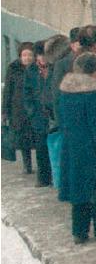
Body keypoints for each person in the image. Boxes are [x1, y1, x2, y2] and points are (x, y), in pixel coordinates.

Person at [57, 53, 96, 244]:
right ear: (95, 72)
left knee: (78, 192)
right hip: (91, 150)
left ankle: (79, 232)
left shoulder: (65, 91)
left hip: (71, 148)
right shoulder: (93, 94)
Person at [21, 40, 53, 186]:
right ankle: (43, 177)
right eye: (39, 55)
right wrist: (32, 112)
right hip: (38, 115)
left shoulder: (53, 68)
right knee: (40, 147)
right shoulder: (31, 71)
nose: (42, 58)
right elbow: (26, 93)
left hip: (52, 114)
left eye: (44, 55)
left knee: (54, 144)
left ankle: (54, 174)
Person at [3, 42, 38, 175]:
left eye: (30, 55)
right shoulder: (13, 68)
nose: (27, 58)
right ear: (20, 56)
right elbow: (8, 91)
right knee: (23, 139)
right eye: (24, 55)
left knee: (37, 137)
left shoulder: (36, 69)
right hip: (18, 109)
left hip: (34, 107)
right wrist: (5, 111)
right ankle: (27, 165)